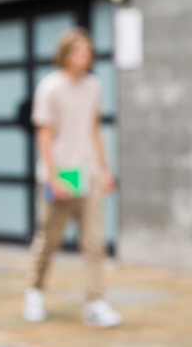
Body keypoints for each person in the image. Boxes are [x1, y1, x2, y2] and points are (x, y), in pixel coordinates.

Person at [23, 27, 121, 328]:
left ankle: (95, 301)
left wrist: (105, 170)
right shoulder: (50, 87)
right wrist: (52, 177)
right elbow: (44, 134)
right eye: (79, 51)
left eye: (88, 51)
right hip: (63, 172)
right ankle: (35, 292)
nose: (85, 57)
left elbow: (94, 130)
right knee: (49, 239)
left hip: (88, 171)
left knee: (94, 241)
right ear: (65, 54)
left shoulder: (94, 86)